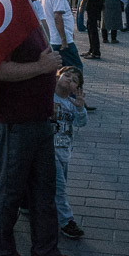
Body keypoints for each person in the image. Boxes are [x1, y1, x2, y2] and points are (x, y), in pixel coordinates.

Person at [0, 0, 86, 256]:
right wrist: (41, 66)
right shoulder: (3, 11)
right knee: (9, 192)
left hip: (40, 117)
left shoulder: (27, 8)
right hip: (15, 119)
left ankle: (47, 254)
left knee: (45, 191)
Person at [52, 67, 87, 240]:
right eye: (66, 76)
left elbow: (82, 123)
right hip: (48, 149)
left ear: (77, 88)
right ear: (57, 77)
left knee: (59, 184)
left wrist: (80, 108)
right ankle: (66, 221)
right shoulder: (48, 96)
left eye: (74, 80)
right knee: (60, 187)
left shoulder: (72, 104)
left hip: (64, 150)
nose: (68, 80)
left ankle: (29, 203)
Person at [40, 0, 83, 70]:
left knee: (61, 71)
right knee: (76, 69)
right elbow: (57, 17)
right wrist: (64, 39)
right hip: (60, 41)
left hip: (54, 39)